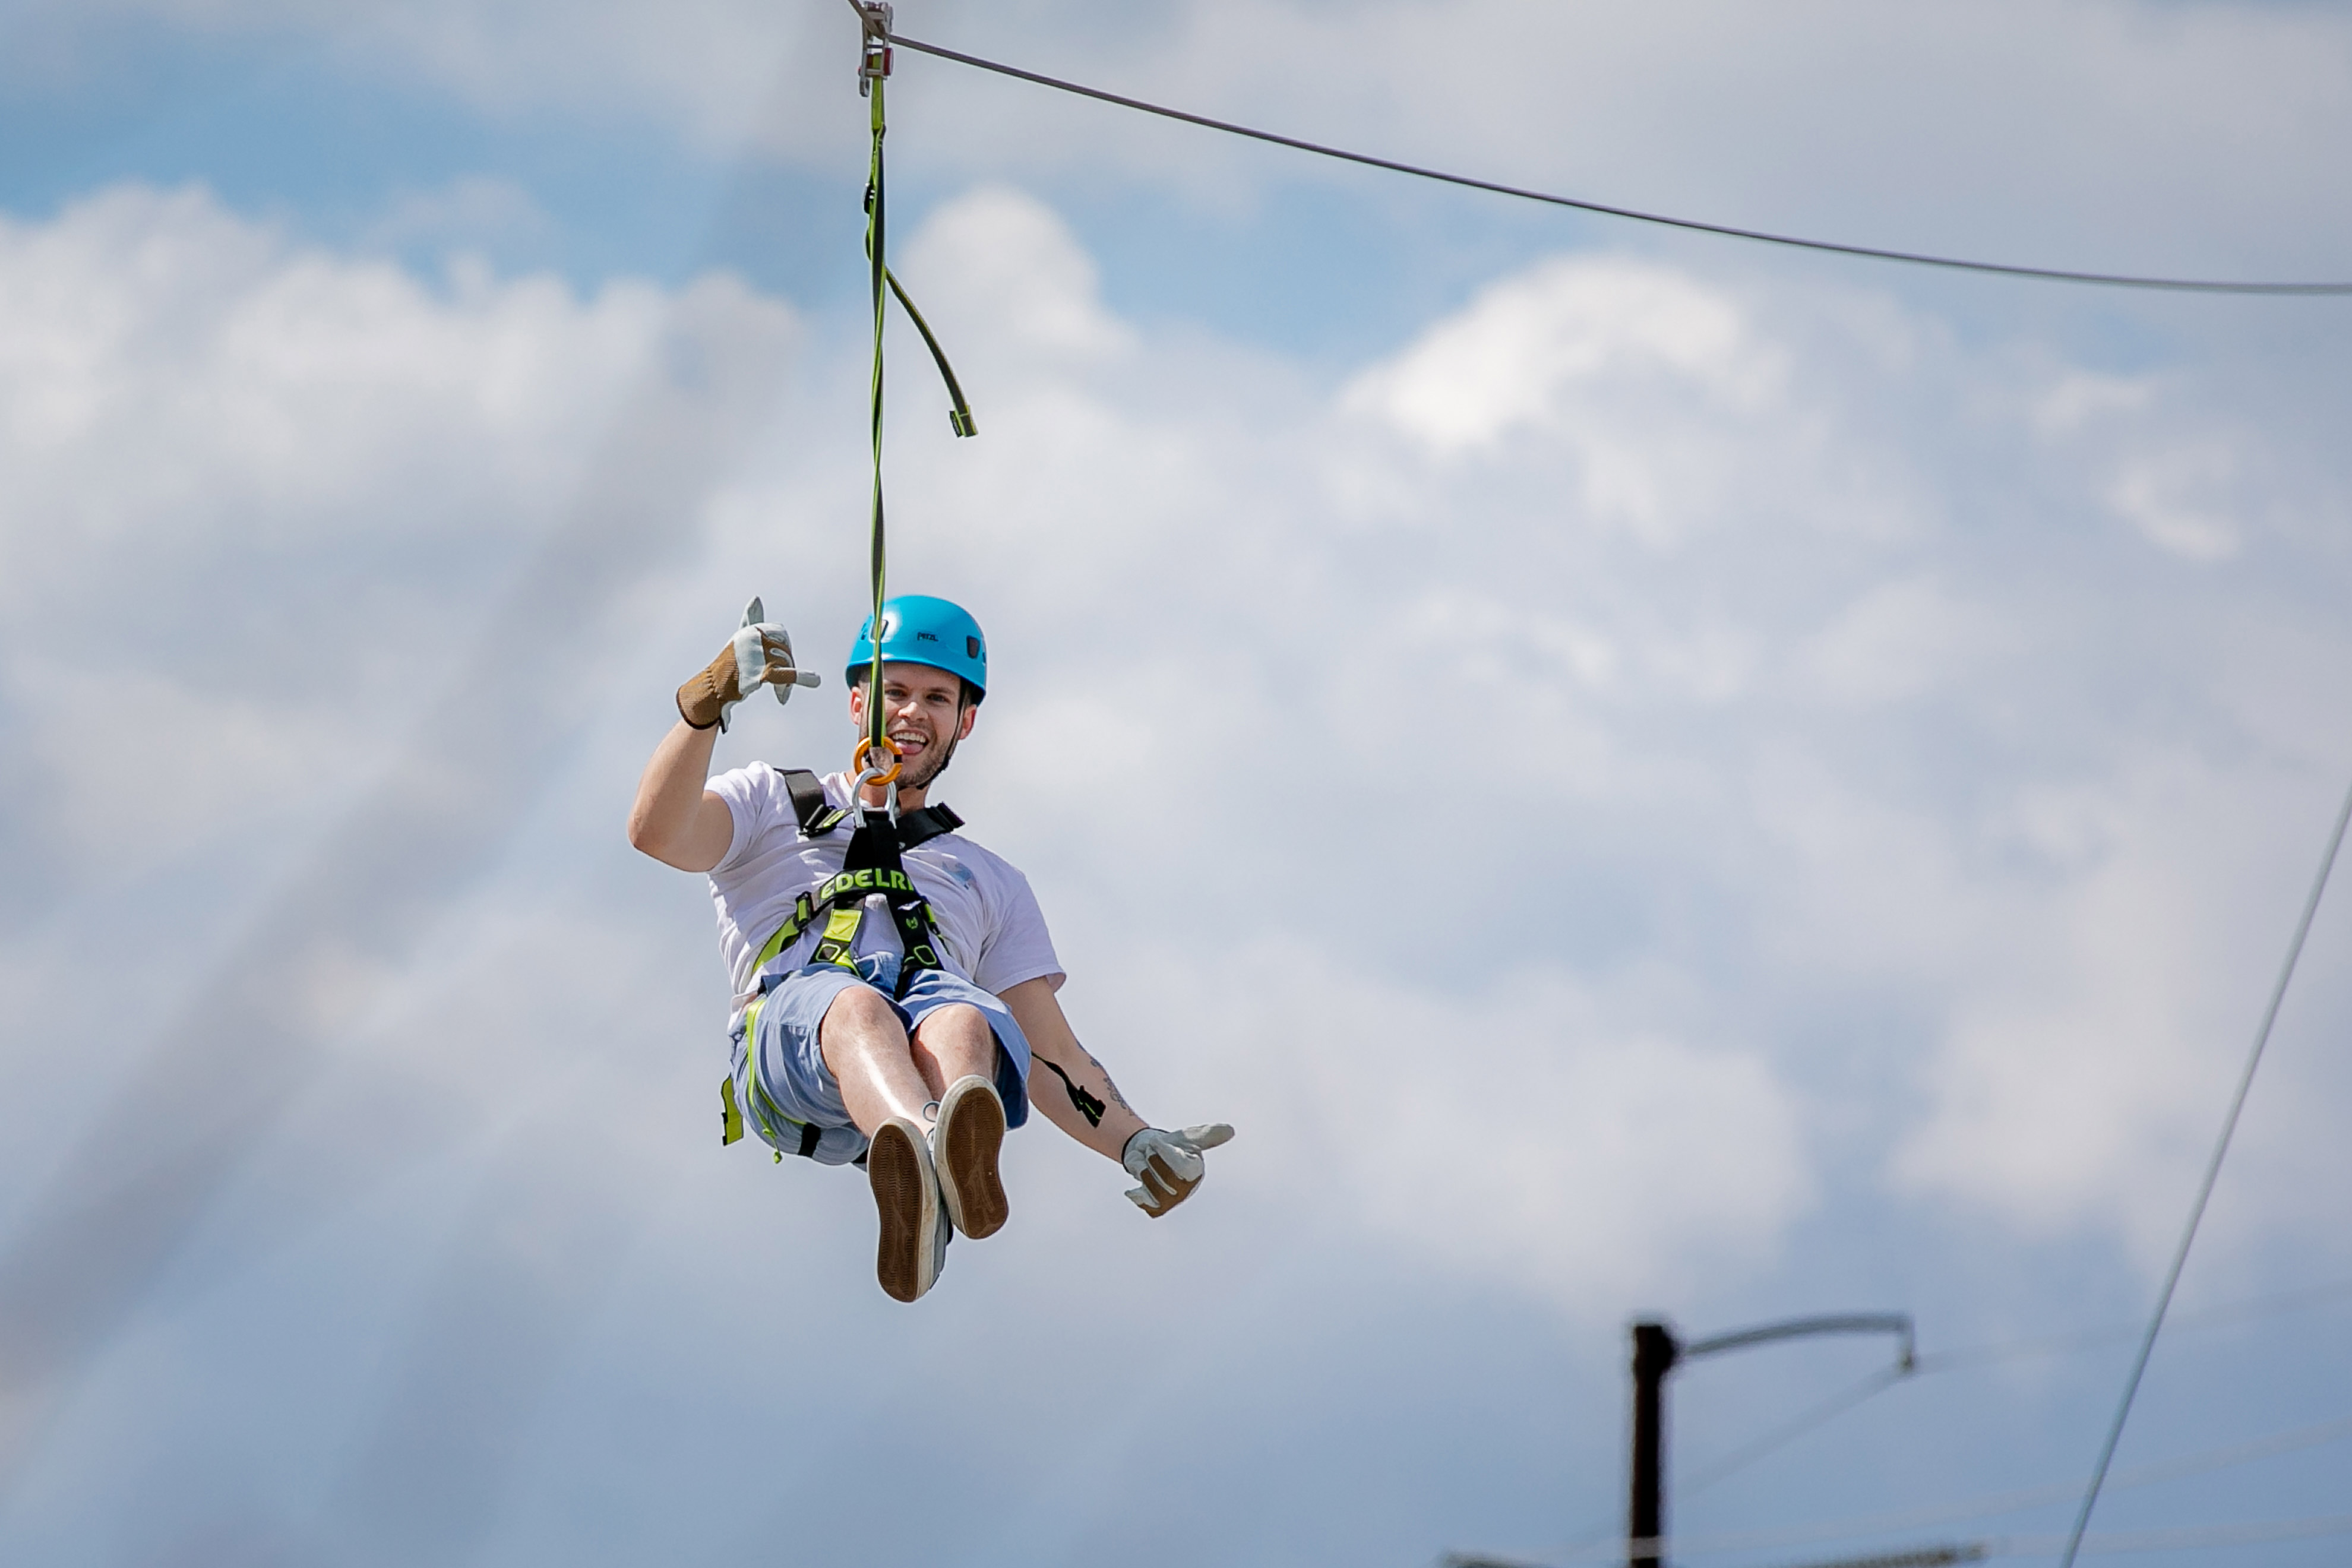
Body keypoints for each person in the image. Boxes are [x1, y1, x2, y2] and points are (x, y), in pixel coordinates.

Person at [627, 593, 1232, 1302]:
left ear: (964, 722)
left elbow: (1053, 1055)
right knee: (855, 1005)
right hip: (790, 1046)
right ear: (858, 705)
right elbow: (657, 833)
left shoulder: (989, 882)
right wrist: (704, 705)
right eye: (898, 692)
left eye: (938, 699)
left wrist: (1135, 1143)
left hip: (914, 1053)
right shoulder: (770, 802)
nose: (914, 712)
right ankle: (923, 1149)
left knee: (966, 1017)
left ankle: (935, 1165)